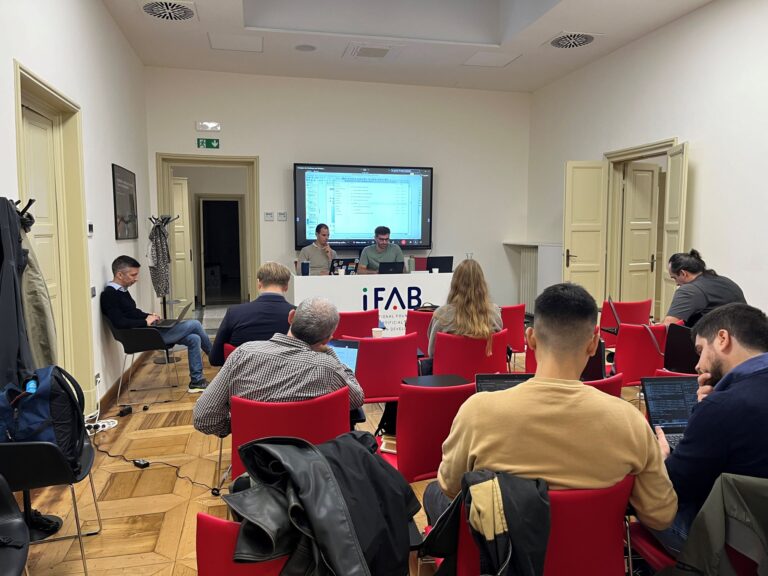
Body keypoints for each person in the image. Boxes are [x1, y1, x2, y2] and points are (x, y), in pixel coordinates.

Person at [423, 282, 677, 532]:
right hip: (591, 563)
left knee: (433, 492)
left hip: (503, 563)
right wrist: (660, 462)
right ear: (593, 343)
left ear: (530, 339)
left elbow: (450, 485)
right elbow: (661, 516)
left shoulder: (477, 412)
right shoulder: (630, 422)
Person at [653, 303, 768, 555]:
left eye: (700, 350)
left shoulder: (723, 407)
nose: (697, 365)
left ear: (723, 338)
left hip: (739, 548)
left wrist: (663, 458)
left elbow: (673, 490)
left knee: (649, 505)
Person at [193, 297, 365, 437]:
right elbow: (357, 399)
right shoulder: (328, 368)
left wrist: (237, 426)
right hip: (312, 467)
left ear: (291, 317)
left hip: (254, 465)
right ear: (327, 340)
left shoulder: (243, 353)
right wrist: (330, 354)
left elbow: (204, 418)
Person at [101, 255, 212, 391]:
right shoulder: (109, 295)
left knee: (194, 339)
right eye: (133, 275)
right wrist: (145, 322)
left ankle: (197, 381)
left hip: (146, 332)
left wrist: (148, 316)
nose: (136, 279)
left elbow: (132, 312)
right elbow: (119, 322)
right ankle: (215, 357)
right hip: (140, 337)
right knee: (194, 324)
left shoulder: (121, 291)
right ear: (119, 274)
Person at [208, 262, 295, 366]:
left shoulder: (235, 313)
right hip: (286, 379)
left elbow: (215, 358)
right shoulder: (298, 315)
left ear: (259, 284)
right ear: (286, 287)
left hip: (243, 379)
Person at [426, 259, 502, 357]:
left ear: (455, 283)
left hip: (449, 371)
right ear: (482, 284)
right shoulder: (495, 313)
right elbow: (497, 351)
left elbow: (432, 352)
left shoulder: (442, 315)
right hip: (486, 371)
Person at [663, 249, 745, 327]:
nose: (677, 283)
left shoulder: (689, 290)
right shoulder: (725, 281)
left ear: (683, 273)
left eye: (674, 278)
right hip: (743, 335)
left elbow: (668, 326)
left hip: (717, 338)